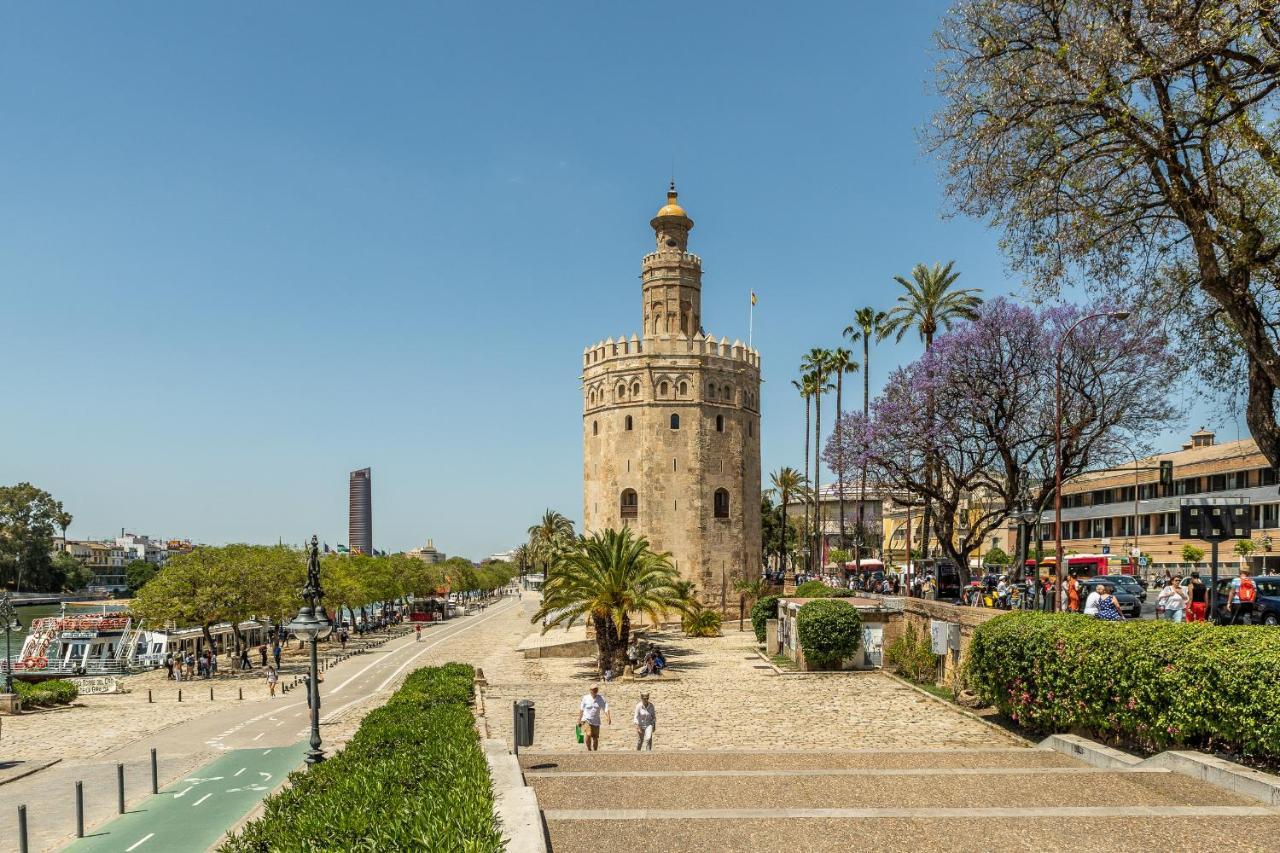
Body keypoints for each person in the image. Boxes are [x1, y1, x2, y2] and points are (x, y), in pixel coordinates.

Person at [577, 683, 610, 751]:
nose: (594, 691)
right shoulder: (585, 698)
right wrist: (579, 719)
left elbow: (605, 708)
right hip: (586, 719)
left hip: (596, 721)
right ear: (590, 690)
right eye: (593, 689)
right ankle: (589, 749)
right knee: (588, 734)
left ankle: (595, 752)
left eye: (596, 689)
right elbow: (581, 709)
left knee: (595, 738)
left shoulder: (601, 698)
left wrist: (608, 717)